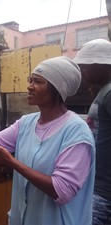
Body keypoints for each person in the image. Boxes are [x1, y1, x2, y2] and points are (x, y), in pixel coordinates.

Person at [0, 56, 96, 225]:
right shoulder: (26, 123)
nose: (29, 86)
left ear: (57, 88)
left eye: (38, 81)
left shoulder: (76, 132)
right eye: (31, 80)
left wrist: (12, 162)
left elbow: (62, 190)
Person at [74, 39, 111, 225]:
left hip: (105, 193)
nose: (82, 71)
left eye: (85, 66)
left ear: (100, 64)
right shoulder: (103, 91)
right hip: (97, 185)